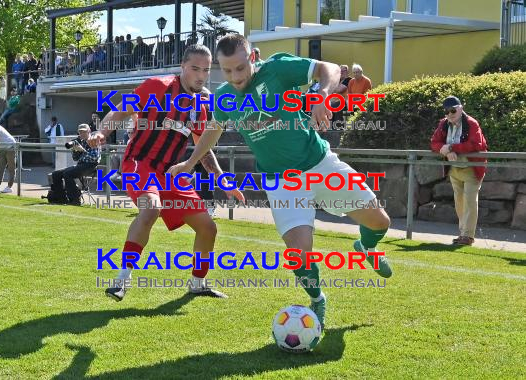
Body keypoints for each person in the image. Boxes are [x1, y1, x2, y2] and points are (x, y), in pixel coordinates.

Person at [167, 34, 392, 329]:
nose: (235, 77)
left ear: (254, 58)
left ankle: (366, 248)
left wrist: (322, 95)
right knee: (299, 252)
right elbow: (214, 128)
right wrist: (190, 162)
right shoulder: (223, 96)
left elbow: (331, 68)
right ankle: (317, 299)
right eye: (226, 70)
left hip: (319, 164)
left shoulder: (279, 68)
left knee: (380, 222)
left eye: (240, 68)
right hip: (282, 181)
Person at [88, 44, 244, 302]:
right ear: (183, 67)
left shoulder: (201, 106)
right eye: (195, 68)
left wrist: (223, 180)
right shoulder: (158, 86)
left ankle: (198, 284)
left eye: (205, 70)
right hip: (141, 163)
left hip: (172, 173)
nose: (200, 75)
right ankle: (121, 281)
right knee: (151, 209)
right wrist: (102, 132)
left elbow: (203, 149)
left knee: (208, 228)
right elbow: (122, 109)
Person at [431, 96, 488, 246]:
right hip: (454, 169)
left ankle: (468, 236)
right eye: (447, 111)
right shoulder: (443, 124)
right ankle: (463, 233)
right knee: (459, 202)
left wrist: (451, 147)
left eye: (453, 110)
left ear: (460, 108)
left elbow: (476, 145)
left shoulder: (471, 123)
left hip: (471, 169)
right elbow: (434, 142)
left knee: (470, 200)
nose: (450, 114)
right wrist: (445, 151)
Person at [50, 124, 100, 205]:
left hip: (90, 166)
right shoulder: (81, 141)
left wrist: (82, 150)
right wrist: (75, 150)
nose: (82, 134)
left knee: (68, 173)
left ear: (89, 131)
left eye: (84, 132)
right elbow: (75, 159)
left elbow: (94, 157)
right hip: (81, 165)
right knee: (56, 174)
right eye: (80, 132)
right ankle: (61, 199)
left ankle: (75, 200)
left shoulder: (93, 140)